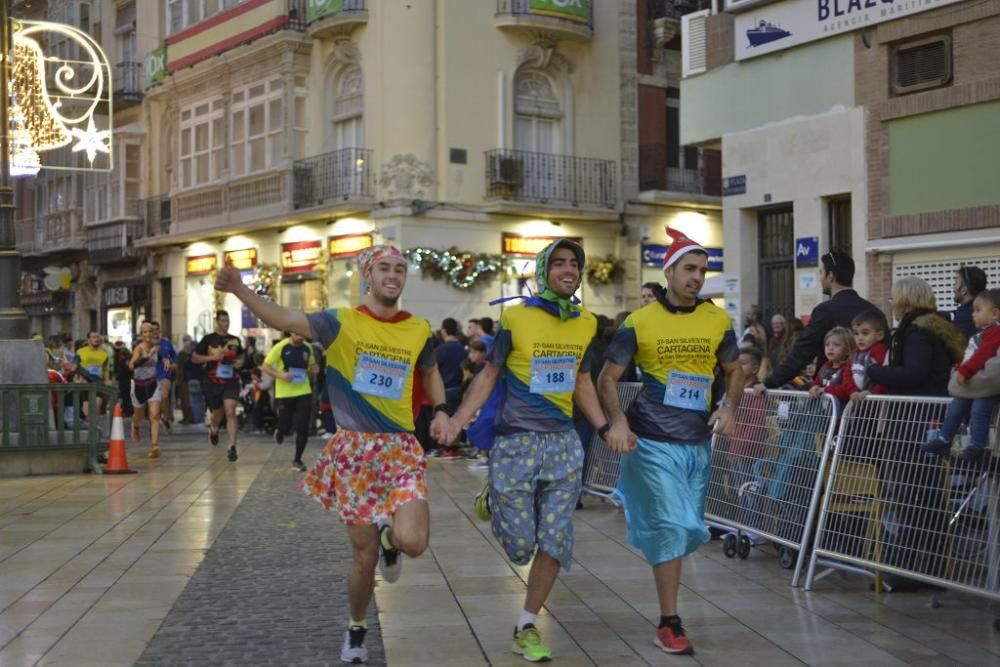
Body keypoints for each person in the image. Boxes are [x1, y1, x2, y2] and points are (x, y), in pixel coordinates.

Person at [215, 244, 448, 664]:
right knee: (364, 557)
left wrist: (443, 411)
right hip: (354, 450)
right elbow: (283, 317)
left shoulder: (418, 328)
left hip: (399, 448)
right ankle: (357, 627)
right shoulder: (339, 322)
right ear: (368, 276)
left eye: (400, 268)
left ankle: (390, 535)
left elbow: (429, 372)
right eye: (384, 269)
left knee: (412, 542)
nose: (393, 275)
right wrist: (240, 291)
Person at [440, 239, 612, 663]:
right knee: (520, 547)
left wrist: (606, 427)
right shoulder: (515, 317)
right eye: (559, 263)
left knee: (554, 539)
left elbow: (583, 381)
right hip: (516, 441)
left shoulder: (586, 322)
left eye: (575, 263)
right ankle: (493, 498)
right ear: (543, 270)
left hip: (562, 443)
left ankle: (527, 624)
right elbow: (488, 376)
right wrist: (457, 421)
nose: (568, 270)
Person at [597, 228, 743, 656]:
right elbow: (608, 379)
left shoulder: (717, 319)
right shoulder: (639, 322)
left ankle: (668, 617)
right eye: (689, 269)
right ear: (670, 271)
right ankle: (669, 621)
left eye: (703, 270)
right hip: (651, 441)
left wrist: (730, 407)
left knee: (683, 532)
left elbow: (734, 370)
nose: (697, 277)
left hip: (696, 443)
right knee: (673, 527)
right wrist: (619, 423)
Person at [863, 276, 964, 593]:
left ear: (906, 300)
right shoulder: (931, 327)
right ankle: (932, 570)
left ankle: (908, 571)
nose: (891, 304)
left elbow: (914, 373)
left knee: (913, 498)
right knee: (927, 498)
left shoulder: (917, 331)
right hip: (925, 422)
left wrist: (875, 371)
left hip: (912, 425)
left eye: (893, 298)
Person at [759, 251, 877, 391]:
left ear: (830, 276)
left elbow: (802, 352)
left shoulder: (825, 310)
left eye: (821, 273)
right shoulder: (873, 311)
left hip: (831, 392)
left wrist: (769, 383)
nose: (820, 279)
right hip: (868, 394)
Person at [923, 289, 1000, 464]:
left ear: (995, 313)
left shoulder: (994, 332)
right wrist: (960, 366)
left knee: (979, 411)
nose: (973, 314)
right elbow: (972, 355)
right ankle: (944, 438)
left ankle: (976, 445)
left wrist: (965, 371)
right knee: (956, 407)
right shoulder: (983, 333)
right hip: (976, 380)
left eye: (978, 310)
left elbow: (984, 354)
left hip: (985, 386)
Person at [192, 311, 245, 462]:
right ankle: (214, 427)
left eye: (227, 320)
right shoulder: (208, 339)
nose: (226, 323)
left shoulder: (234, 340)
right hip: (213, 382)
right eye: (223, 320)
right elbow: (195, 358)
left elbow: (241, 356)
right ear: (217, 322)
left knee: (230, 410)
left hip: (231, 380)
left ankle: (232, 447)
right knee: (218, 413)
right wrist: (212, 357)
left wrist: (240, 362)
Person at [263, 332, 319, 471]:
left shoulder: (308, 347)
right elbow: (266, 366)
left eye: (302, 334)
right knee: (285, 424)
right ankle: (280, 431)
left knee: (302, 427)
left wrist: (314, 368)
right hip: (285, 393)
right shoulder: (281, 347)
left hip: (303, 391)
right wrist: (280, 375)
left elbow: (312, 364)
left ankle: (297, 459)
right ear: (291, 333)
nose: (300, 336)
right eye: (297, 333)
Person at [128, 321, 163, 459]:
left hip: (153, 383)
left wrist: (167, 362)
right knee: (140, 416)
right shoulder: (139, 348)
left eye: (150, 331)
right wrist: (147, 356)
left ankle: (155, 445)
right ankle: (135, 425)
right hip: (138, 386)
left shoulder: (157, 347)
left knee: (154, 415)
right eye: (145, 332)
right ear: (141, 334)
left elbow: (165, 359)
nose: (148, 334)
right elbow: (131, 365)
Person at [806, 327, 856, 405]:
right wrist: (813, 387)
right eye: (827, 344)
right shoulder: (825, 366)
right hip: (823, 412)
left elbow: (846, 389)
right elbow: (817, 381)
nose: (830, 348)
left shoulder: (848, 367)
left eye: (836, 345)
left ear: (847, 350)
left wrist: (825, 390)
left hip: (841, 411)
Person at [848, 311, 889, 402]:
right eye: (856, 334)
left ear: (879, 335)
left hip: (875, 401)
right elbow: (848, 375)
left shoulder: (879, 351)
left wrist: (872, 393)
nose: (860, 338)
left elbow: (883, 377)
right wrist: (852, 391)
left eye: (865, 333)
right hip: (857, 399)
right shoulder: (854, 354)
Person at [435, 318, 466, 414]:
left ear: (444, 331)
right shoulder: (463, 349)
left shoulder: (441, 349)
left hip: (444, 392)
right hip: (459, 390)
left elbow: (433, 370)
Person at [152, 322, 177, 435]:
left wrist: (174, 364)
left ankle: (166, 418)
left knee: (164, 396)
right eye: (152, 330)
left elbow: (174, 356)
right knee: (154, 402)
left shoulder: (166, 343)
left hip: (164, 373)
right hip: (151, 375)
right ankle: (157, 420)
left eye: (157, 329)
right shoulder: (146, 344)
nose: (155, 332)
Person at [951, 265, 987, 341]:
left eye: (956, 283)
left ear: (964, 290)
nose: (953, 287)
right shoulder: (988, 312)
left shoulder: (962, 318)